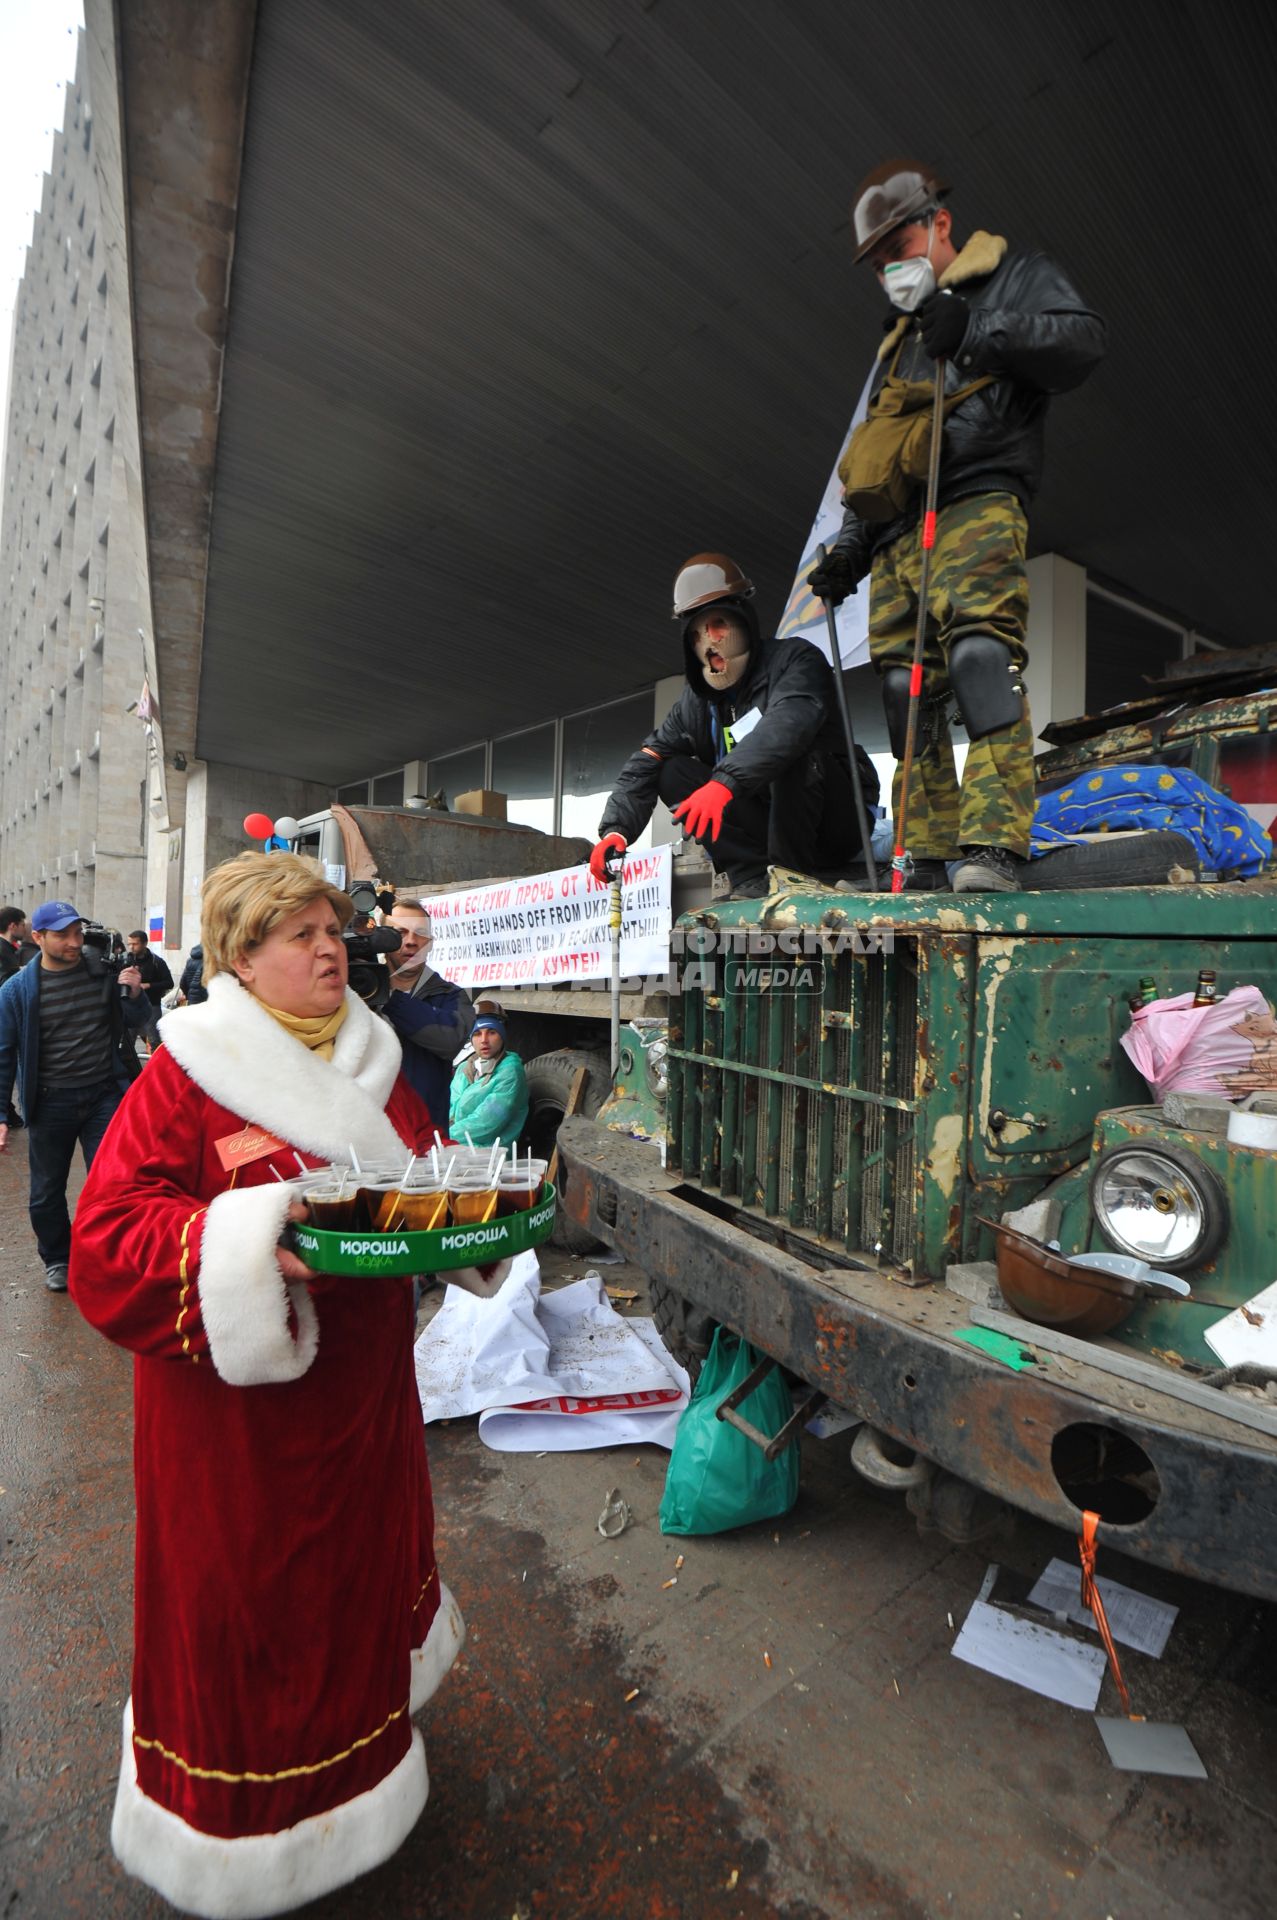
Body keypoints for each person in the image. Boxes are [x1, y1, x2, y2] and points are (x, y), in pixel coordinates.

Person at [67, 851, 466, 1918]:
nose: (332, 948)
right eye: (302, 934)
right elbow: (106, 1240)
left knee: (351, 1591)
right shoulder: (184, 1074)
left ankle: (364, 1779)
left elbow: (420, 1179)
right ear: (243, 958)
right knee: (250, 1613)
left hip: (365, 1406)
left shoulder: (373, 1058)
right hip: (238, 1431)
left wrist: (476, 1213)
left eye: (334, 929)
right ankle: (244, 1838)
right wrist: (246, 1235)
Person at [807, 159, 1105, 892]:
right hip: (897, 537)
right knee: (905, 694)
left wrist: (977, 328)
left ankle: (994, 845)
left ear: (939, 223)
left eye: (897, 247)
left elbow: (1080, 344)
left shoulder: (1008, 277)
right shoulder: (896, 341)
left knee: (979, 661)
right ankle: (927, 855)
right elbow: (874, 458)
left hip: (975, 500)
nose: (889, 268)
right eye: (877, 262)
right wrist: (849, 548)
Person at [589, 554, 880, 901]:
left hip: (834, 824)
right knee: (670, 771)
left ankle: (793, 876)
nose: (710, 640)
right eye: (698, 633)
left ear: (743, 621)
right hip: (766, 822)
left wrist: (723, 784)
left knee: (792, 751)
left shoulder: (797, 660)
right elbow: (647, 759)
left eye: (718, 625)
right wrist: (616, 831)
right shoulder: (695, 702)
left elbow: (788, 725)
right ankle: (751, 875)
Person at [0, 899, 149, 1290]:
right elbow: (4, 1053)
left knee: (114, 1182)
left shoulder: (101, 971)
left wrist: (134, 994)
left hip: (104, 1094)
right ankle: (58, 1258)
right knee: (46, 1191)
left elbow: (140, 1021)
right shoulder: (16, 992)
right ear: (38, 937)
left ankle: (109, 1255)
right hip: (50, 1103)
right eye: (63, 934)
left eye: (78, 933)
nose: (73, 941)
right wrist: (1, 1113)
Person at [381, 897, 473, 1121]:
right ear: (383, 940)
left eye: (420, 933)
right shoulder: (359, 992)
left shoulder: (451, 995)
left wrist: (392, 1000)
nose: (412, 941)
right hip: (371, 1130)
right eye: (400, 932)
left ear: (430, 943)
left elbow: (450, 1040)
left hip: (427, 1133)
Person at [450, 1008, 528, 1150]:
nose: (484, 1040)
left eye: (492, 1032)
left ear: (502, 1036)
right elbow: (450, 1109)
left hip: (490, 1153)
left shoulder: (510, 1071)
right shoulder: (464, 1068)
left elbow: (486, 1123)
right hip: (457, 1145)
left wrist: (444, 1136)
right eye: (478, 1034)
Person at [125, 928, 174, 1051]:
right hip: (131, 1006)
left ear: (145, 943)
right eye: (129, 944)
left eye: (135, 944)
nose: (131, 947)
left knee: (154, 1040)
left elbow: (169, 983)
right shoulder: (126, 960)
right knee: (127, 1040)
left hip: (152, 1004)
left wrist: (149, 985)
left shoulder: (156, 962)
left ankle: (156, 1068)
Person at [177, 942, 208, 1006]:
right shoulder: (211, 962)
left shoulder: (190, 961)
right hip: (206, 1001)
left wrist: (188, 995)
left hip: (192, 1000)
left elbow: (182, 983)